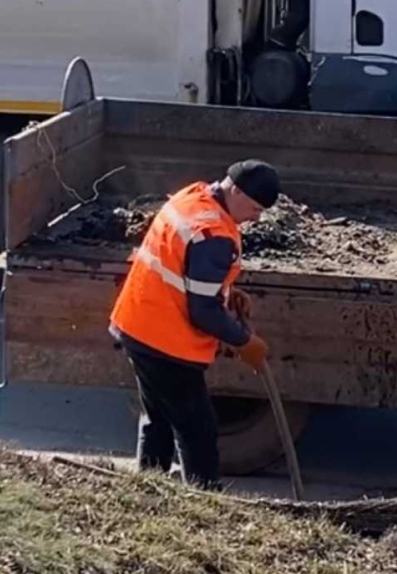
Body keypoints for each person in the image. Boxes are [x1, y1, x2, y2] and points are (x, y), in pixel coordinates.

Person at [108, 159, 280, 490]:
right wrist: (245, 342)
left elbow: (182, 266)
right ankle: (205, 502)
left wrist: (226, 292)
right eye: (256, 209)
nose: (257, 218)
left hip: (138, 323)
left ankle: (149, 492)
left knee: (157, 419)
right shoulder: (214, 234)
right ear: (236, 191)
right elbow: (202, 311)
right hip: (163, 340)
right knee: (197, 429)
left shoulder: (194, 196)